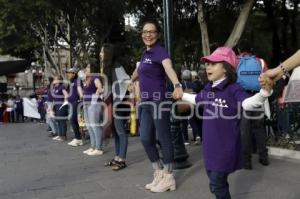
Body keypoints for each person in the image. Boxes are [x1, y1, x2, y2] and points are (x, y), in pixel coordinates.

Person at [181, 47, 273, 199]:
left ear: (225, 68)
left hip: (225, 149)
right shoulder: (208, 88)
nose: (208, 66)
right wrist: (182, 94)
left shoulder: (233, 89)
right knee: (214, 181)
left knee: (218, 183)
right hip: (210, 148)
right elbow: (196, 99)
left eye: (213, 63)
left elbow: (248, 104)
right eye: (207, 64)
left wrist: (264, 93)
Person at [130, 19, 183, 193]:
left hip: (159, 101)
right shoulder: (144, 54)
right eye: (145, 32)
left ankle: (169, 177)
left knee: (164, 138)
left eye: (152, 31)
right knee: (145, 138)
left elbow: (169, 68)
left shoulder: (161, 52)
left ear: (157, 34)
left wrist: (176, 84)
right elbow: (138, 72)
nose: (148, 34)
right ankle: (158, 171)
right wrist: (130, 80)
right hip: (145, 102)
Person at [236, 40, 270, 169]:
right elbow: (267, 78)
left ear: (239, 50)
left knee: (245, 129)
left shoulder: (236, 61)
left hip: (242, 97)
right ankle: (263, 157)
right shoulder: (260, 62)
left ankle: (246, 161)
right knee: (259, 128)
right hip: (258, 97)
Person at [100, 43, 131, 171]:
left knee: (120, 131)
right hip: (113, 103)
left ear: (107, 54)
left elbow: (126, 81)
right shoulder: (109, 67)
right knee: (116, 132)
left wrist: (118, 101)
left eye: (102, 52)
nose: (100, 54)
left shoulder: (117, 66)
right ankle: (117, 156)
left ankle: (122, 159)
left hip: (119, 104)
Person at [82, 63, 105, 156]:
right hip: (86, 104)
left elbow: (100, 88)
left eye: (88, 67)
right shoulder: (86, 79)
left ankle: (99, 148)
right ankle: (93, 146)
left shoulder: (95, 77)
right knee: (89, 126)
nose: (86, 69)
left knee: (95, 126)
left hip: (93, 104)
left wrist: (97, 92)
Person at [65, 67, 84, 147]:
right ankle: (77, 138)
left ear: (74, 73)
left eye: (69, 73)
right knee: (73, 120)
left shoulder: (78, 80)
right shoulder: (72, 81)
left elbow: (79, 89)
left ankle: (78, 139)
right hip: (71, 103)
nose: (68, 74)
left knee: (73, 120)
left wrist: (81, 97)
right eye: (67, 73)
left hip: (76, 103)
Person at [51, 75, 69, 141]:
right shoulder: (55, 88)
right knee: (58, 121)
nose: (54, 80)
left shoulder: (62, 87)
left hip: (61, 105)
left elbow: (66, 95)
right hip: (56, 105)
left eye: (55, 79)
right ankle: (60, 135)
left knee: (62, 121)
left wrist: (64, 103)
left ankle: (63, 136)